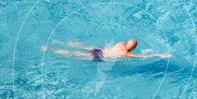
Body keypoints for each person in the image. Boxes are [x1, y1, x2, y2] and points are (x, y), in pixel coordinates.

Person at [42, 39, 171, 61]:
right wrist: (159, 55)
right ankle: (50, 50)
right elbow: (143, 57)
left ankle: (59, 42)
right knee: (74, 55)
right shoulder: (126, 54)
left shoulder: (120, 44)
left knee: (79, 47)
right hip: (100, 57)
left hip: (99, 50)